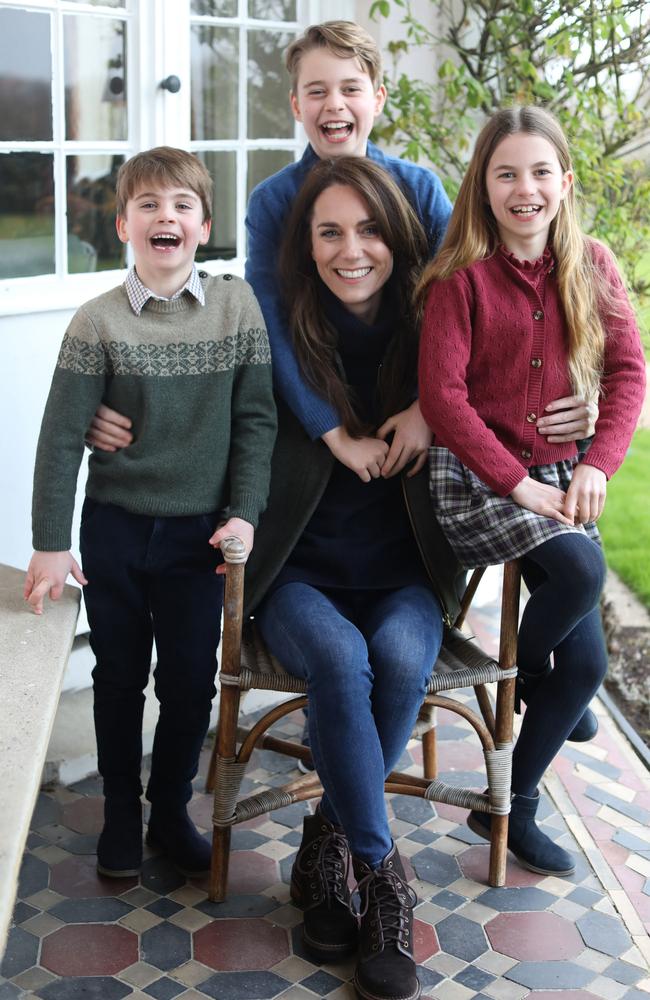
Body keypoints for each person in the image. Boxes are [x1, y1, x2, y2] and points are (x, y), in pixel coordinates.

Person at [85, 22, 596, 465]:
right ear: (295, 104)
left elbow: (476, 307)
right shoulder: (273, 202)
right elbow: (268, 327)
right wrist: (330, 430)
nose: (334, 104)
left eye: (351, 88)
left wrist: (427, 411)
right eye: (316, 91)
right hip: (314, 411)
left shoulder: (419, 190)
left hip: (413, 405)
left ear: (377, 98)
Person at [24, 147, 277, 880]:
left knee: (191, 681)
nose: (165, 216)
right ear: (123, 224)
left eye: (181, 206)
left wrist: (246, 513)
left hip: (200, 536)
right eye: (148, 205)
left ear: (202, 226)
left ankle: (170, 810)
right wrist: (48, 542)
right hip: (117, 527)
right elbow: (62, 435)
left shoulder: (236, 307)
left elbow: (256, 422)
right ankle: (119, 812)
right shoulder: (96, 323)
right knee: (118, 676)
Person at [417, 106, 646, 878]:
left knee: (588, 669)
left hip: (555, 474)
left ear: (566, 182)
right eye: (507, 173)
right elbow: (444, 400)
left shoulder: (596, 265)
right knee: (581, 574)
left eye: (541, 172)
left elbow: (626, 375)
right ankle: (528, 672)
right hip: (476, 476)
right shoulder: (461, 282)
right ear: (483, 186)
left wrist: (594, 466)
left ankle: (510, 806)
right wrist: (516, 482)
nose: (526, 189)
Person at [244, 155, 449, 1000]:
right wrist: (113, 416)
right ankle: (384, 877)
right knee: (339, 662)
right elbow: (192, 395)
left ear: (399, 238)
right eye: (330, 231)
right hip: (301, 576)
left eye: (369, 229)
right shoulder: (278, 334)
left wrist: (582, 413)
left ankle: (327, 839)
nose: (351, 249)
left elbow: (524, 376)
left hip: (403, 574)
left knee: (400, 661)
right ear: (307, 244)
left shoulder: (437, 330)